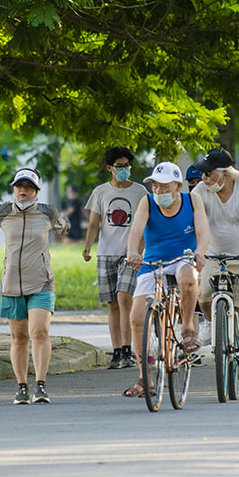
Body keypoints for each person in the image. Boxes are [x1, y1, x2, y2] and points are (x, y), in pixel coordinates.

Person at [122, 162, 209, 398]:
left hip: (184, 257)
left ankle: (188, 327)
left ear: (177, 186)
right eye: (155, 186)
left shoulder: (193, 201)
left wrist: (200, 251)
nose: (158, 191)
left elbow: (203, 232)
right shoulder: (147, 202)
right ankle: (144, 376)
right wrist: (133, 252)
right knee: (137, 317)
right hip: (153, 260)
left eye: (164, 186)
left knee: (189, 277)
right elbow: (136, 231)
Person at [190, 147, 239, 381]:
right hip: (213, 255)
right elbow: (191, 220)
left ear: (225, 174)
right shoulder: (200, 191)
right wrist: (196, 252)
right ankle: (208, 322)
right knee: (203, 294)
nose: (203, 178)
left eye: (208, 174)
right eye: (202, 174)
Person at [0, 167, 68, 404]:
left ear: (37, 191)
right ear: (13, 188)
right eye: (19, 186)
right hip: (12, 283)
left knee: (39, 332)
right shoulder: (2, 213)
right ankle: (22, 386)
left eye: (29, 187)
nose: (23, 191)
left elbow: (63, 226)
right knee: (18, 337)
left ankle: (41, 384)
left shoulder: (48, 213)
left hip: (42, 282)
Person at [81, 147, 149, 370]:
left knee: (124, 296)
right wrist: (87, 247)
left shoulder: (140, 192)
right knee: (112, 302)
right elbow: (94, 223)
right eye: (119, 166)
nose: (124, 170)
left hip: (131, 253)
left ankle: (128, 349)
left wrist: (138, 251)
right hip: (106, 252)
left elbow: (146, 224)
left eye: (127, 166)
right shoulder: (100, 192)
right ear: (110, 168)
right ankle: (117, 350)